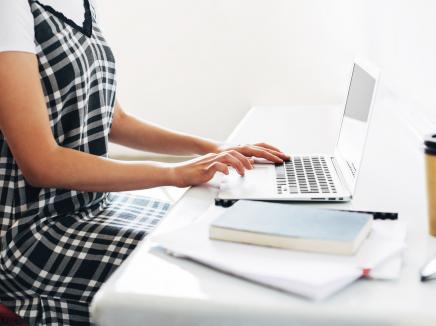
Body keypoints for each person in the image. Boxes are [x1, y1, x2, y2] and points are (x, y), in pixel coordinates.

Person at [0, 0, 289, 325]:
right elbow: (42, 164)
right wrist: (173, 173)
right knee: (199, 271)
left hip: (95, 208)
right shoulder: (10, 9)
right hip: (32, 232)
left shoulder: (82, 5)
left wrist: (213, 148)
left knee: (211, 234)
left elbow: (115, 120)